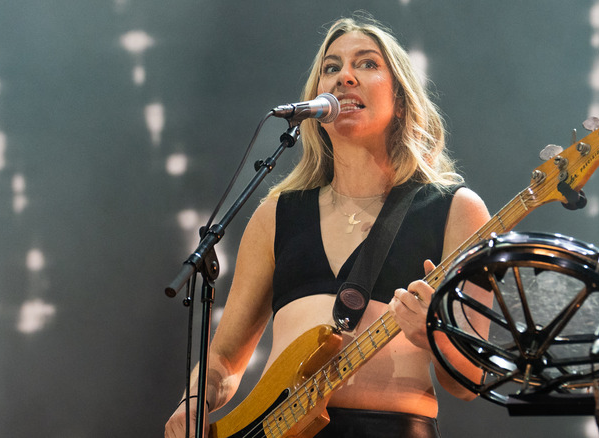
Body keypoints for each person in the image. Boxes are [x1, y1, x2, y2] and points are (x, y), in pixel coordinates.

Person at [165, 14, 491, 438]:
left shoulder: (454, 210)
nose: (345, 77)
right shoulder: (277, 214)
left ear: (401, 96)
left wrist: (435, 334)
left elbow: (470, 382)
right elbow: (225, 360)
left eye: (367, 64)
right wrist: (193, 402)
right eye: (331, 67)